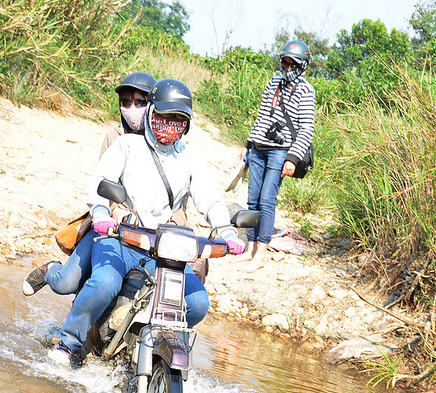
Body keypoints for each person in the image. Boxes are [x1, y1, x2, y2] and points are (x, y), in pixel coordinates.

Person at [47, 78, 245, 368]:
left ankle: (148, 347)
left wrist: (226, 230)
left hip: (161, 248)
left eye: (177, 120)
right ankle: (69, 342)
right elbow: (100, 183)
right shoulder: (127, 145)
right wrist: (101, 212)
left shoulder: (190, 157)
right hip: (119, 237)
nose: (169, 126)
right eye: (163, 117)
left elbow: (210, 200)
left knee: (198, 303)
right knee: (104, 284)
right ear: (151, 114)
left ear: (187, 124)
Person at [21, 71, 157, 298]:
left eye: (139, 102)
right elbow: (103, 182)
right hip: (111, 225)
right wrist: (113, 209)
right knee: (66, 283)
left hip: (151, 232)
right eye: (126, 102)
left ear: (152, 105)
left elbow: (180, 202)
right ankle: (51, 271)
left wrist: (173, 224)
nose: (132, 108)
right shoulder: (115, 137)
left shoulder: (167, 145)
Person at [232, 40, 315, 273]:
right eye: (285, 62)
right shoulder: (273, 83)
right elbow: (263, 116)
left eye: (293, 64)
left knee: (267, 199)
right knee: (253, 199)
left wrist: (293, 158)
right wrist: (248, 145)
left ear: (302, 65)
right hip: (259, 147)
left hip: (281, 151)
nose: (288, 68)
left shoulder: (306, 90)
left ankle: (261, 254)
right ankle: (249, 249)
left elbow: (307, 128)